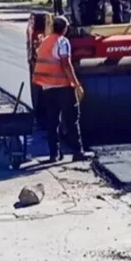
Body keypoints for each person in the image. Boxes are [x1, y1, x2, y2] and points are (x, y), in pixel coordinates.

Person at [31, 15, 91, 162]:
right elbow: (66, 64)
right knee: (71, 120)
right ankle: (78, 152)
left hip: (47, 87)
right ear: (65, 28)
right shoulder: (62, 42)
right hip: (63, 87)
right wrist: (77, 85)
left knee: (52, 121)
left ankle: (54, 154)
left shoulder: (45, 42)